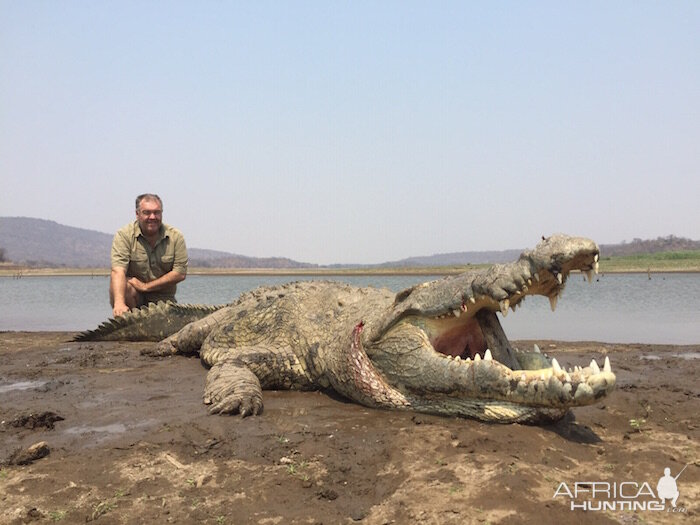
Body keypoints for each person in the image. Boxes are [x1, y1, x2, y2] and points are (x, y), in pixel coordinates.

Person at [110, 194, 188, 317]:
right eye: (147, 212)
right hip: (134, 297)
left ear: (162, 213)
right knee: (125, 285)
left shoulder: (176, 236)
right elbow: (117, 270)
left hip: (164, 300)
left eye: (157, 212)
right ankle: (127, 319)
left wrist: (146, 287)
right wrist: (119, 303)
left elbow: (180, 273)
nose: (152, 217)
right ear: (137, 214)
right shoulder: (124, 235)